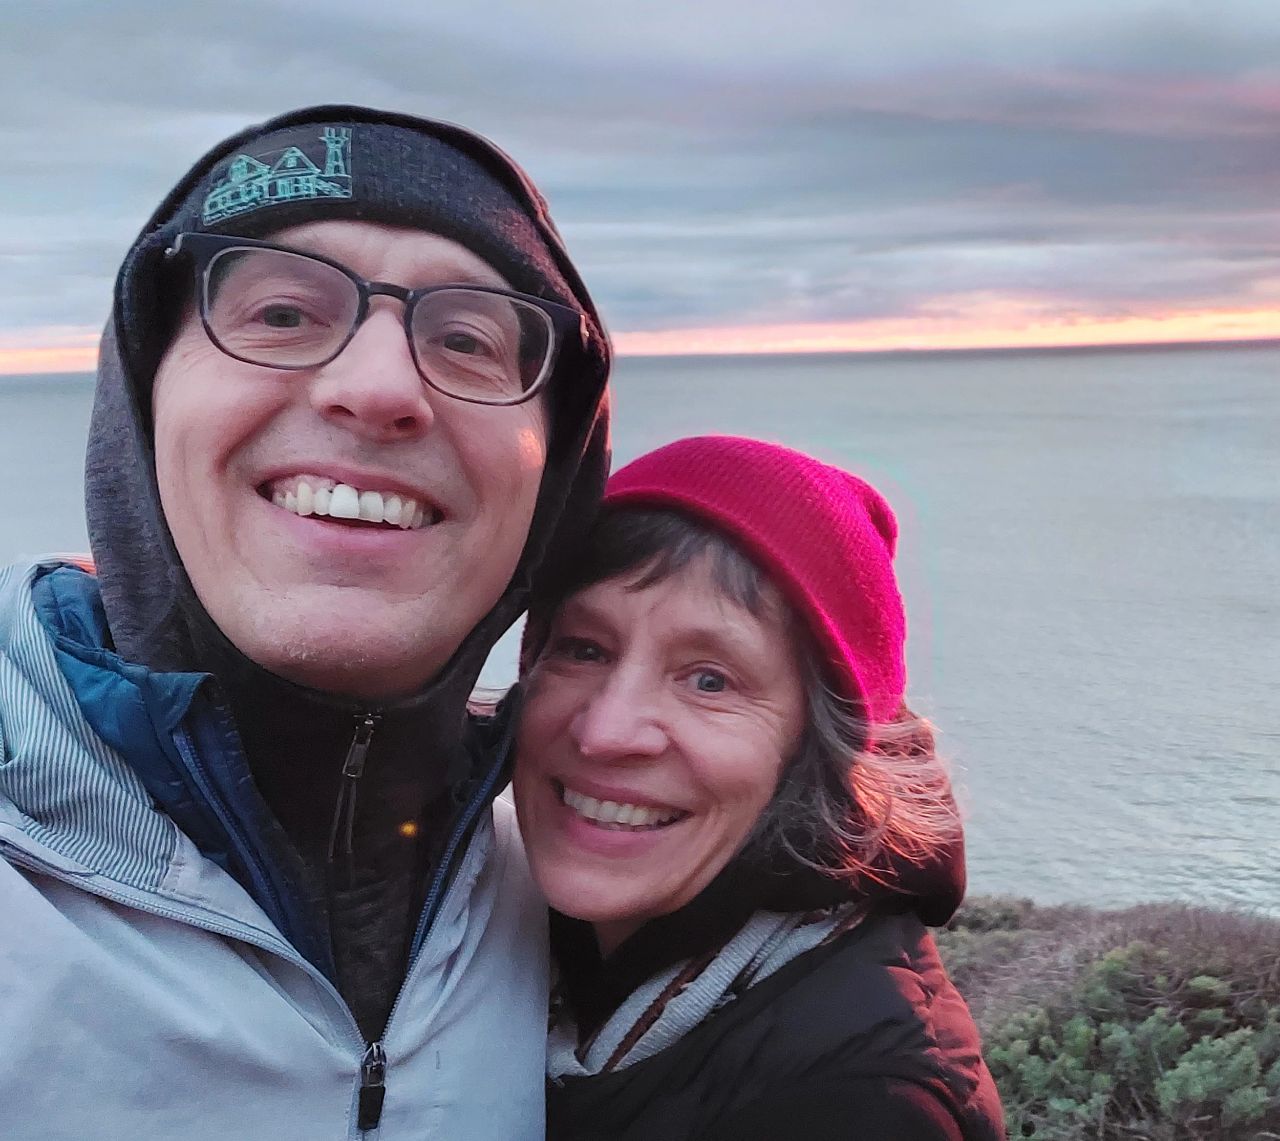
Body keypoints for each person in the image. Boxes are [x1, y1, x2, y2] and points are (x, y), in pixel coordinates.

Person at [0, 105, 612, 1137]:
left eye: (466, 338)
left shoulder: (566, 884)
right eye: (281, 313)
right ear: (144, 398)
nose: (377, 388)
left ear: (552, 473)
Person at [513, 436, 1004, 1140]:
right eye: (583, 649)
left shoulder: (862, 1105)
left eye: (710, 678)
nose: (605, 730)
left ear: (815, 749)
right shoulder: (504, 937)